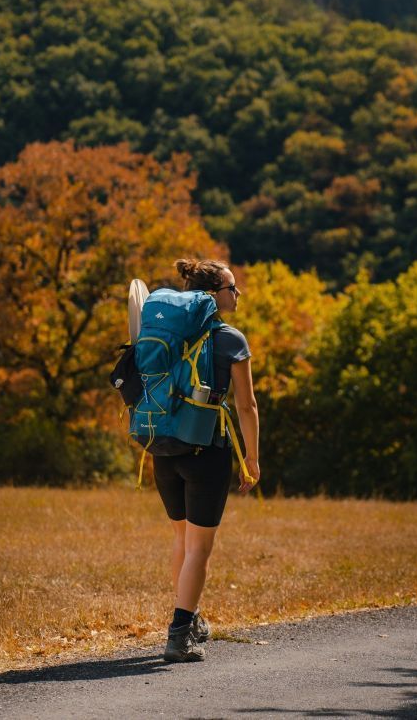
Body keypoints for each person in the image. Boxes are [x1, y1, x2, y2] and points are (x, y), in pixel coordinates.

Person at [155, 257, 260, 663]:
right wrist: (252, 457)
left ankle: (189, 616)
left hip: (164, 450)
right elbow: (246, 406)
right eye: (232, 288)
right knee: (200, 548)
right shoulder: (231, 339)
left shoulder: (168, 332)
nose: (237, 294)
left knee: (183, 540)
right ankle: (180, 633)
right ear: (214, 296)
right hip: (206, 451)